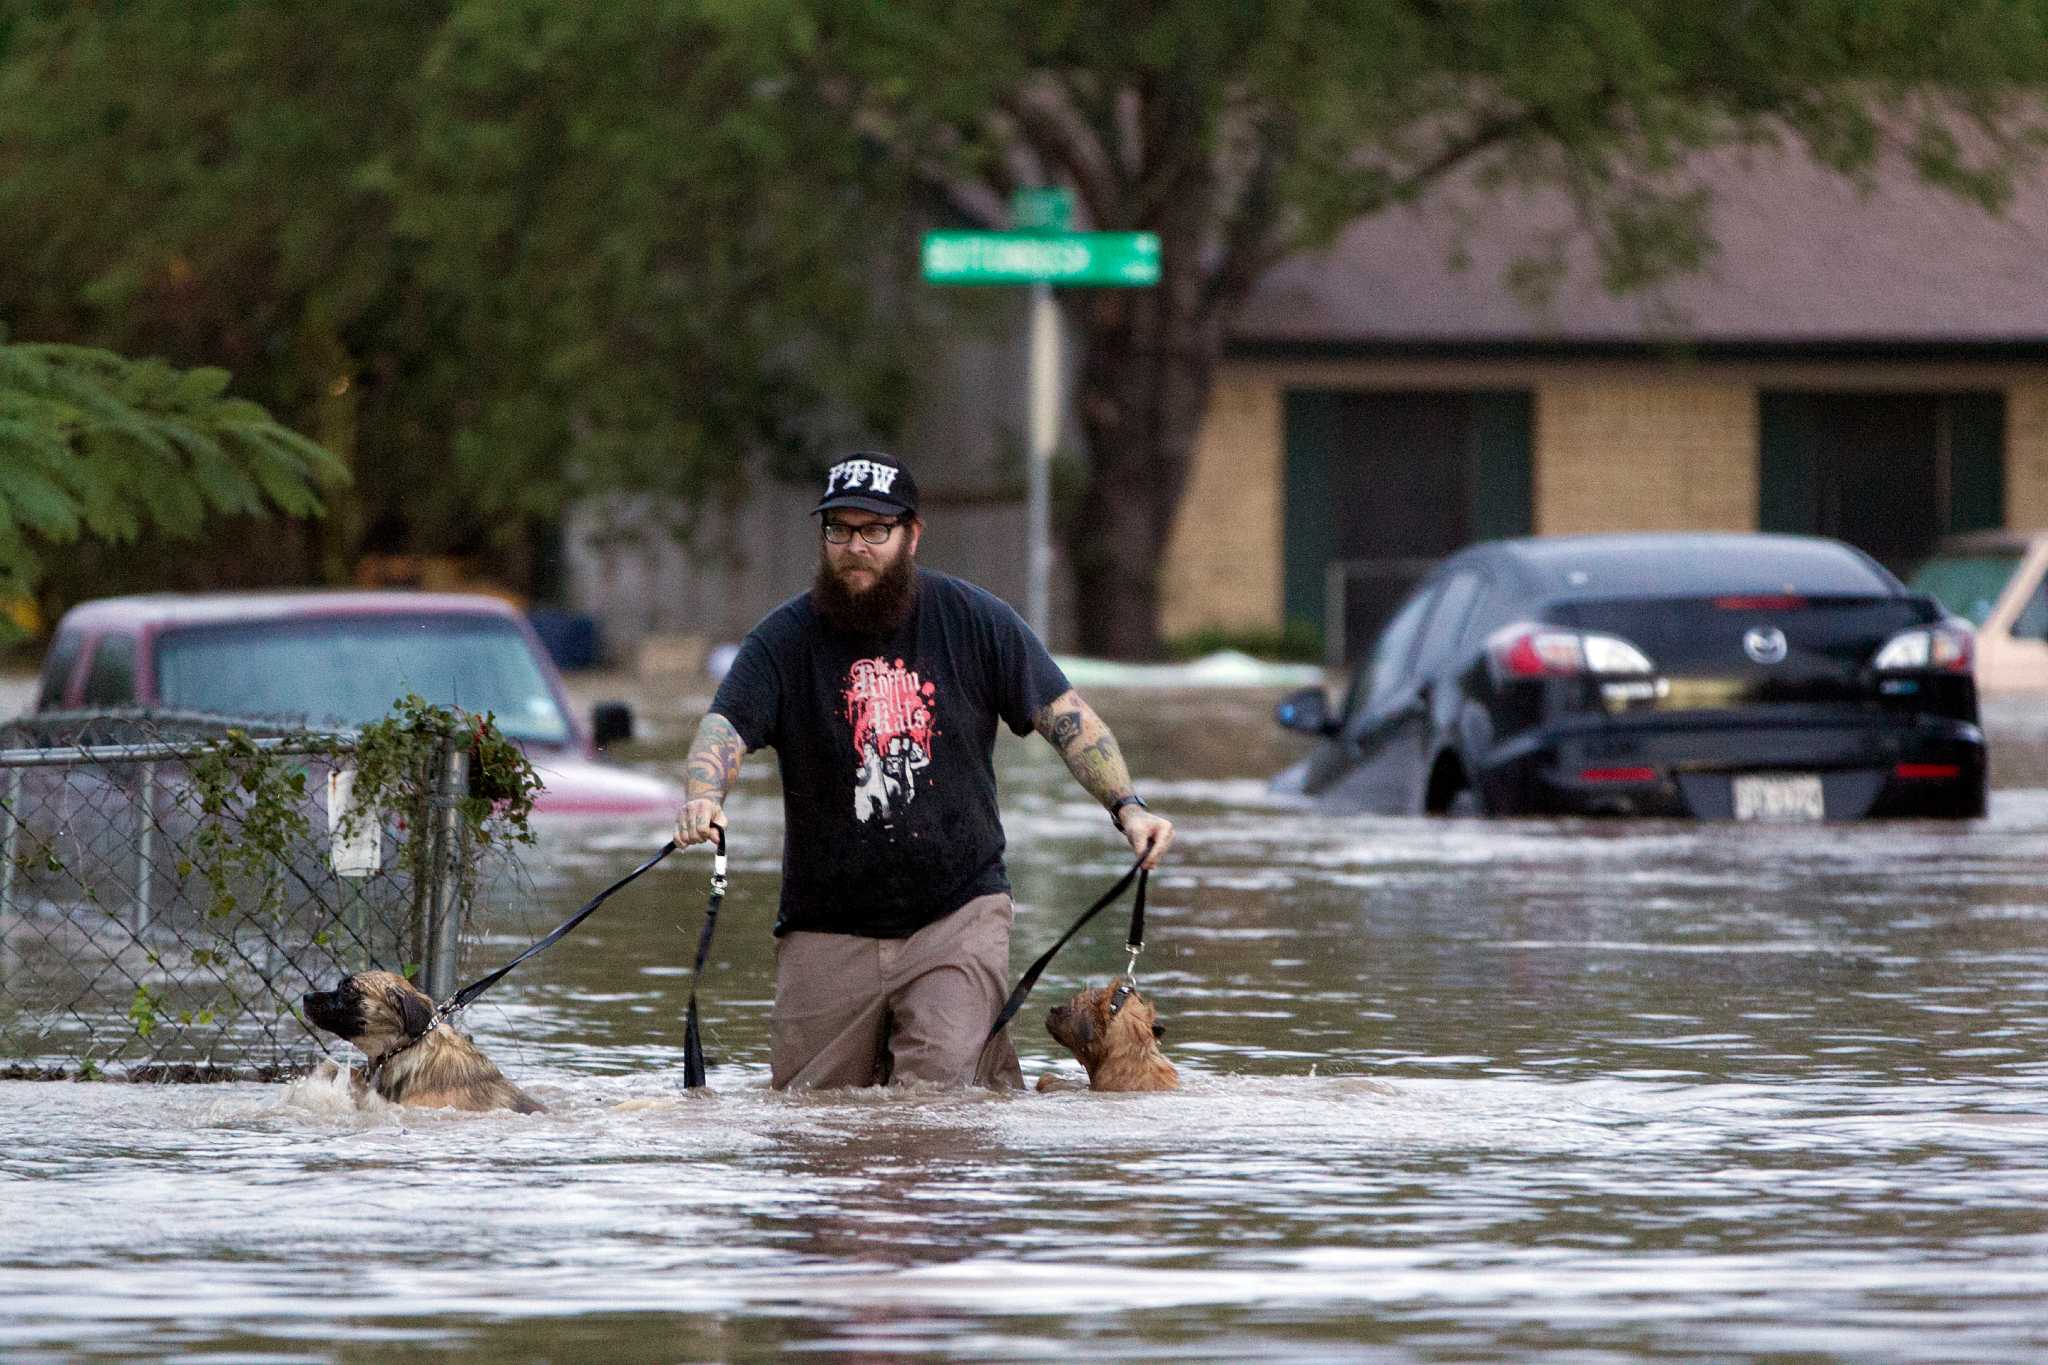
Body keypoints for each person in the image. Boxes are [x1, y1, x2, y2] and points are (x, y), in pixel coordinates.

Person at [673, 451, 1174, 1089]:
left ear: (912, 534)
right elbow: (724, 728)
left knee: (941, 1107)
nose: (855, 546)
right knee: (810, 1117)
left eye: (874, 530)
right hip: (825, 921)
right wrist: (704, 796)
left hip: (956, 913)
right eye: (839, 529)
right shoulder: (782, 639)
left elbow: (1070, 721)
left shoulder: (977, 621)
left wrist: (1128, 808)